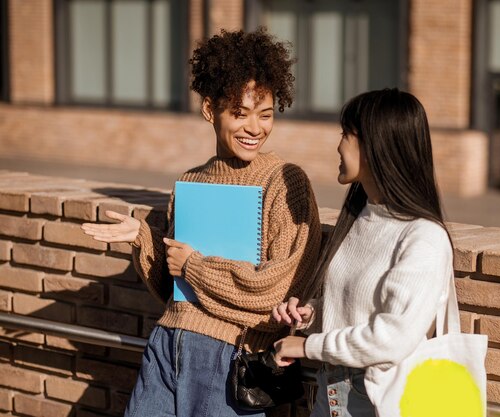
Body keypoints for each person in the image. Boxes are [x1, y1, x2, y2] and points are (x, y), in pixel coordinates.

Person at [81, 28, 322, 417]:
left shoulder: (284, 180)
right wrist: (144, 239)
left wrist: (194, 266)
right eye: (239, 114)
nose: (255, 128)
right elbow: (173, 289)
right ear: (210, 109)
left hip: (232, 358)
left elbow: (276, 289)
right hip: (166, 342)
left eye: (265, 114)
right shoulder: (191, 181)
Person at [271, 88, 454, 417]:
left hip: (378, 396)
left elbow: (394, 338)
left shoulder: (424, 237)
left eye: (346, 134)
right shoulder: (363, 216)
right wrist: (312, 315)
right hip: (334, 389)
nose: (339, 145)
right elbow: (360, 306)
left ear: (375, 144)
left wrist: (307, 346)